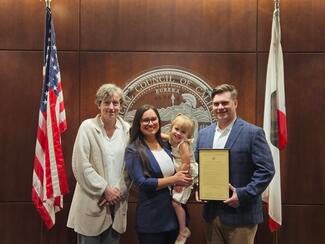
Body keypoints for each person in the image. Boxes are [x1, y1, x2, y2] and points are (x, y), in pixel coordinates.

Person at [195, 84, 275, 244]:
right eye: (216, 103)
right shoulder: (204, 134)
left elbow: (266, 170)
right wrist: (200, 187)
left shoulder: (253, 133)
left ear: (235, 103)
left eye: (225, 103)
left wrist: (243, 194)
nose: (220, 107)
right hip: (212, 215)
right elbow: (200, 166)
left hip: (242, 215)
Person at [67, 84, 130, 244]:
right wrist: (104, 189)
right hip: (92, 202)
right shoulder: (87, 127)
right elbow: (80, 165)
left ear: (121, 105)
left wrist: (117, 192)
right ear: (99, 104)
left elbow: (130, 168)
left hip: (116, 204)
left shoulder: (127, 131)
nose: (111, 107)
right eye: (106, 102)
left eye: (115, 103)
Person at [125, 104, 192, 244]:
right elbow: (142, 183)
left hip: (173, 218)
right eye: (145, 120)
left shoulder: (166, 144)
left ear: (159, 121)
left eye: (154, 119)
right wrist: (174, 179)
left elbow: (183, 162)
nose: (150, 123)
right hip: (152, 221)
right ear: (138, 123)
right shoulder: (133, 150)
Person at [167, 114, 199, 244]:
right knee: (176, 202)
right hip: (180, 174)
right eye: (176, 129)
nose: (179, 133)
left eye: (183, 132)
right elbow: (163, 136)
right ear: (171, 128)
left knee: (176, 203)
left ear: (188, 136)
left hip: (185, 174)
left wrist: (177, 181)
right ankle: (182, 229)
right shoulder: (172, 139)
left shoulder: (183, 145)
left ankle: (183, 230)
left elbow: (185, 163)